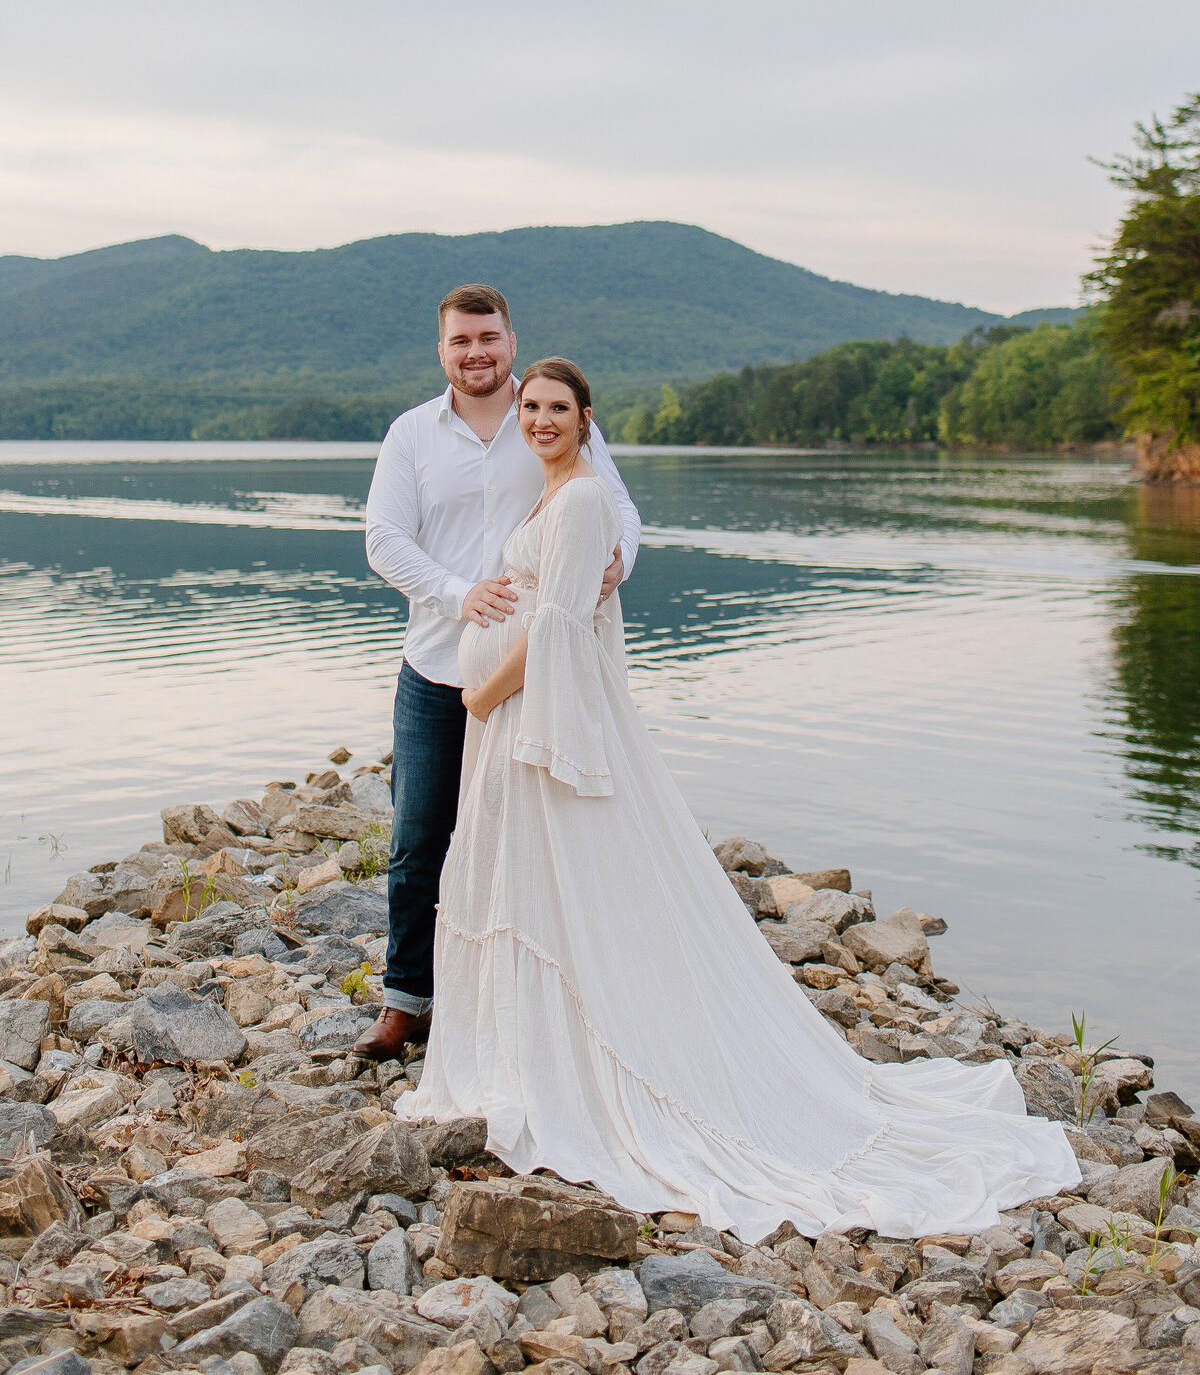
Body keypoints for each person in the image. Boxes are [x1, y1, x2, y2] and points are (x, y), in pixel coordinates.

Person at [396, 355, 1080, 1239]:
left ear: (587, 416)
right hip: (521, 723)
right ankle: (524, 1053)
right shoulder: (551, 492)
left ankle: (594, 1069)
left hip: (531, 722)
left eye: (556, 407)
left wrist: (480, 696)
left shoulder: (585, 500)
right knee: (526, 887)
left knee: (565, 884)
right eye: (530, 406)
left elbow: (562, 627)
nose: (538, 419)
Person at [354, 289, 640, 1060]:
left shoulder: (546, 413)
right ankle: (406, 1002)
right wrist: (457, 591)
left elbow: (615, 509)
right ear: (441, 350)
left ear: (511, 340)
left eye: (488, 337)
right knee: (419, 839)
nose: (475, 352)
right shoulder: (412, 435)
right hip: (436, 668)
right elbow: (382, 537)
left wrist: (616, 565)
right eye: (460, 341)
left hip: (531, 680)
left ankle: (517, 1005)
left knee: (526, 838)